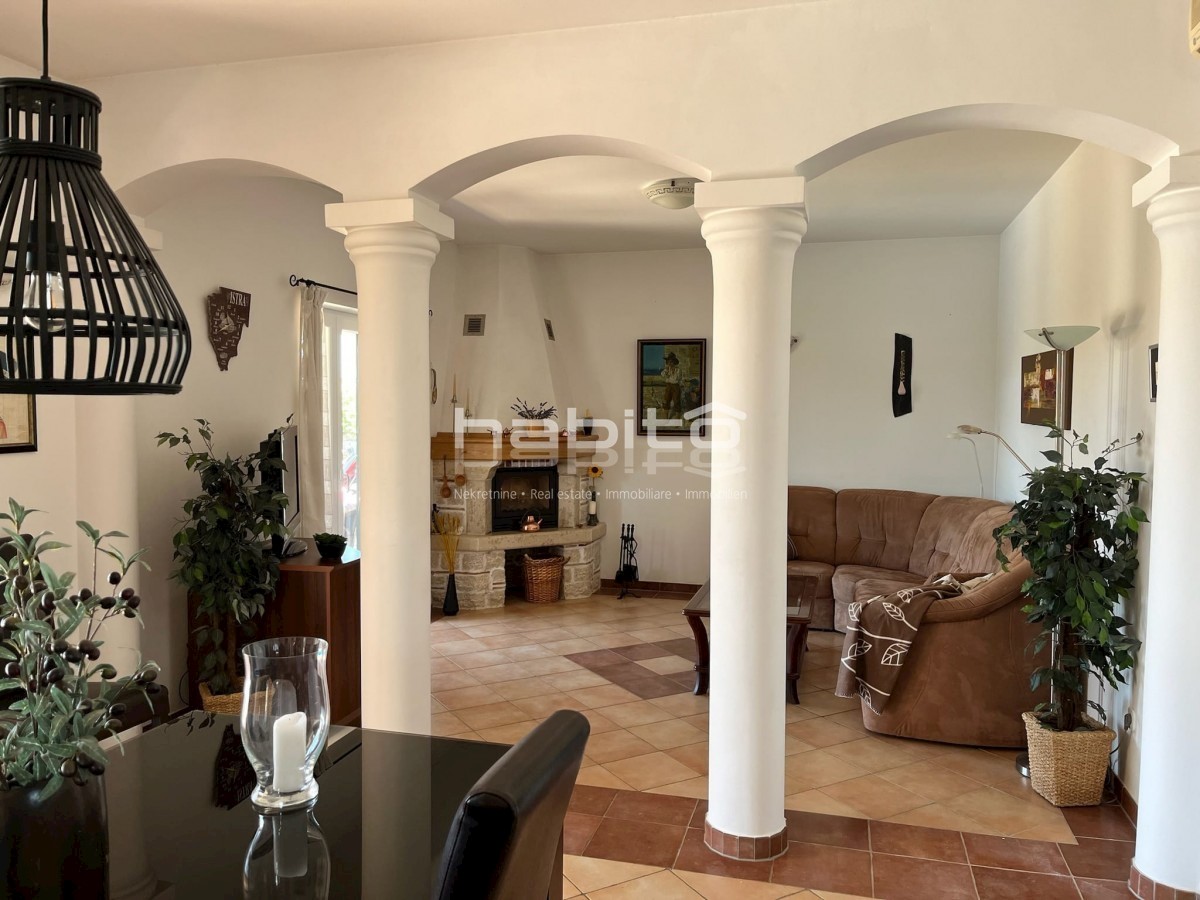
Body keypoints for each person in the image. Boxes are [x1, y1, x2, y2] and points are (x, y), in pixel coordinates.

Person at [661, 351, 683, 419]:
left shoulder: (678, 370)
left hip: (675, 386)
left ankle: (677, 417)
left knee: (676, 401)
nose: (670, 363)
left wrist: (671, 373)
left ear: (674, 362)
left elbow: (677, 378)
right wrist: (667, 371)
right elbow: (662, 375)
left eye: (671, 362)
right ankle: (666, 417)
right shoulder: (667, 369)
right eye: (668, 362)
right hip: (668, 386)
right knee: (666, 400)